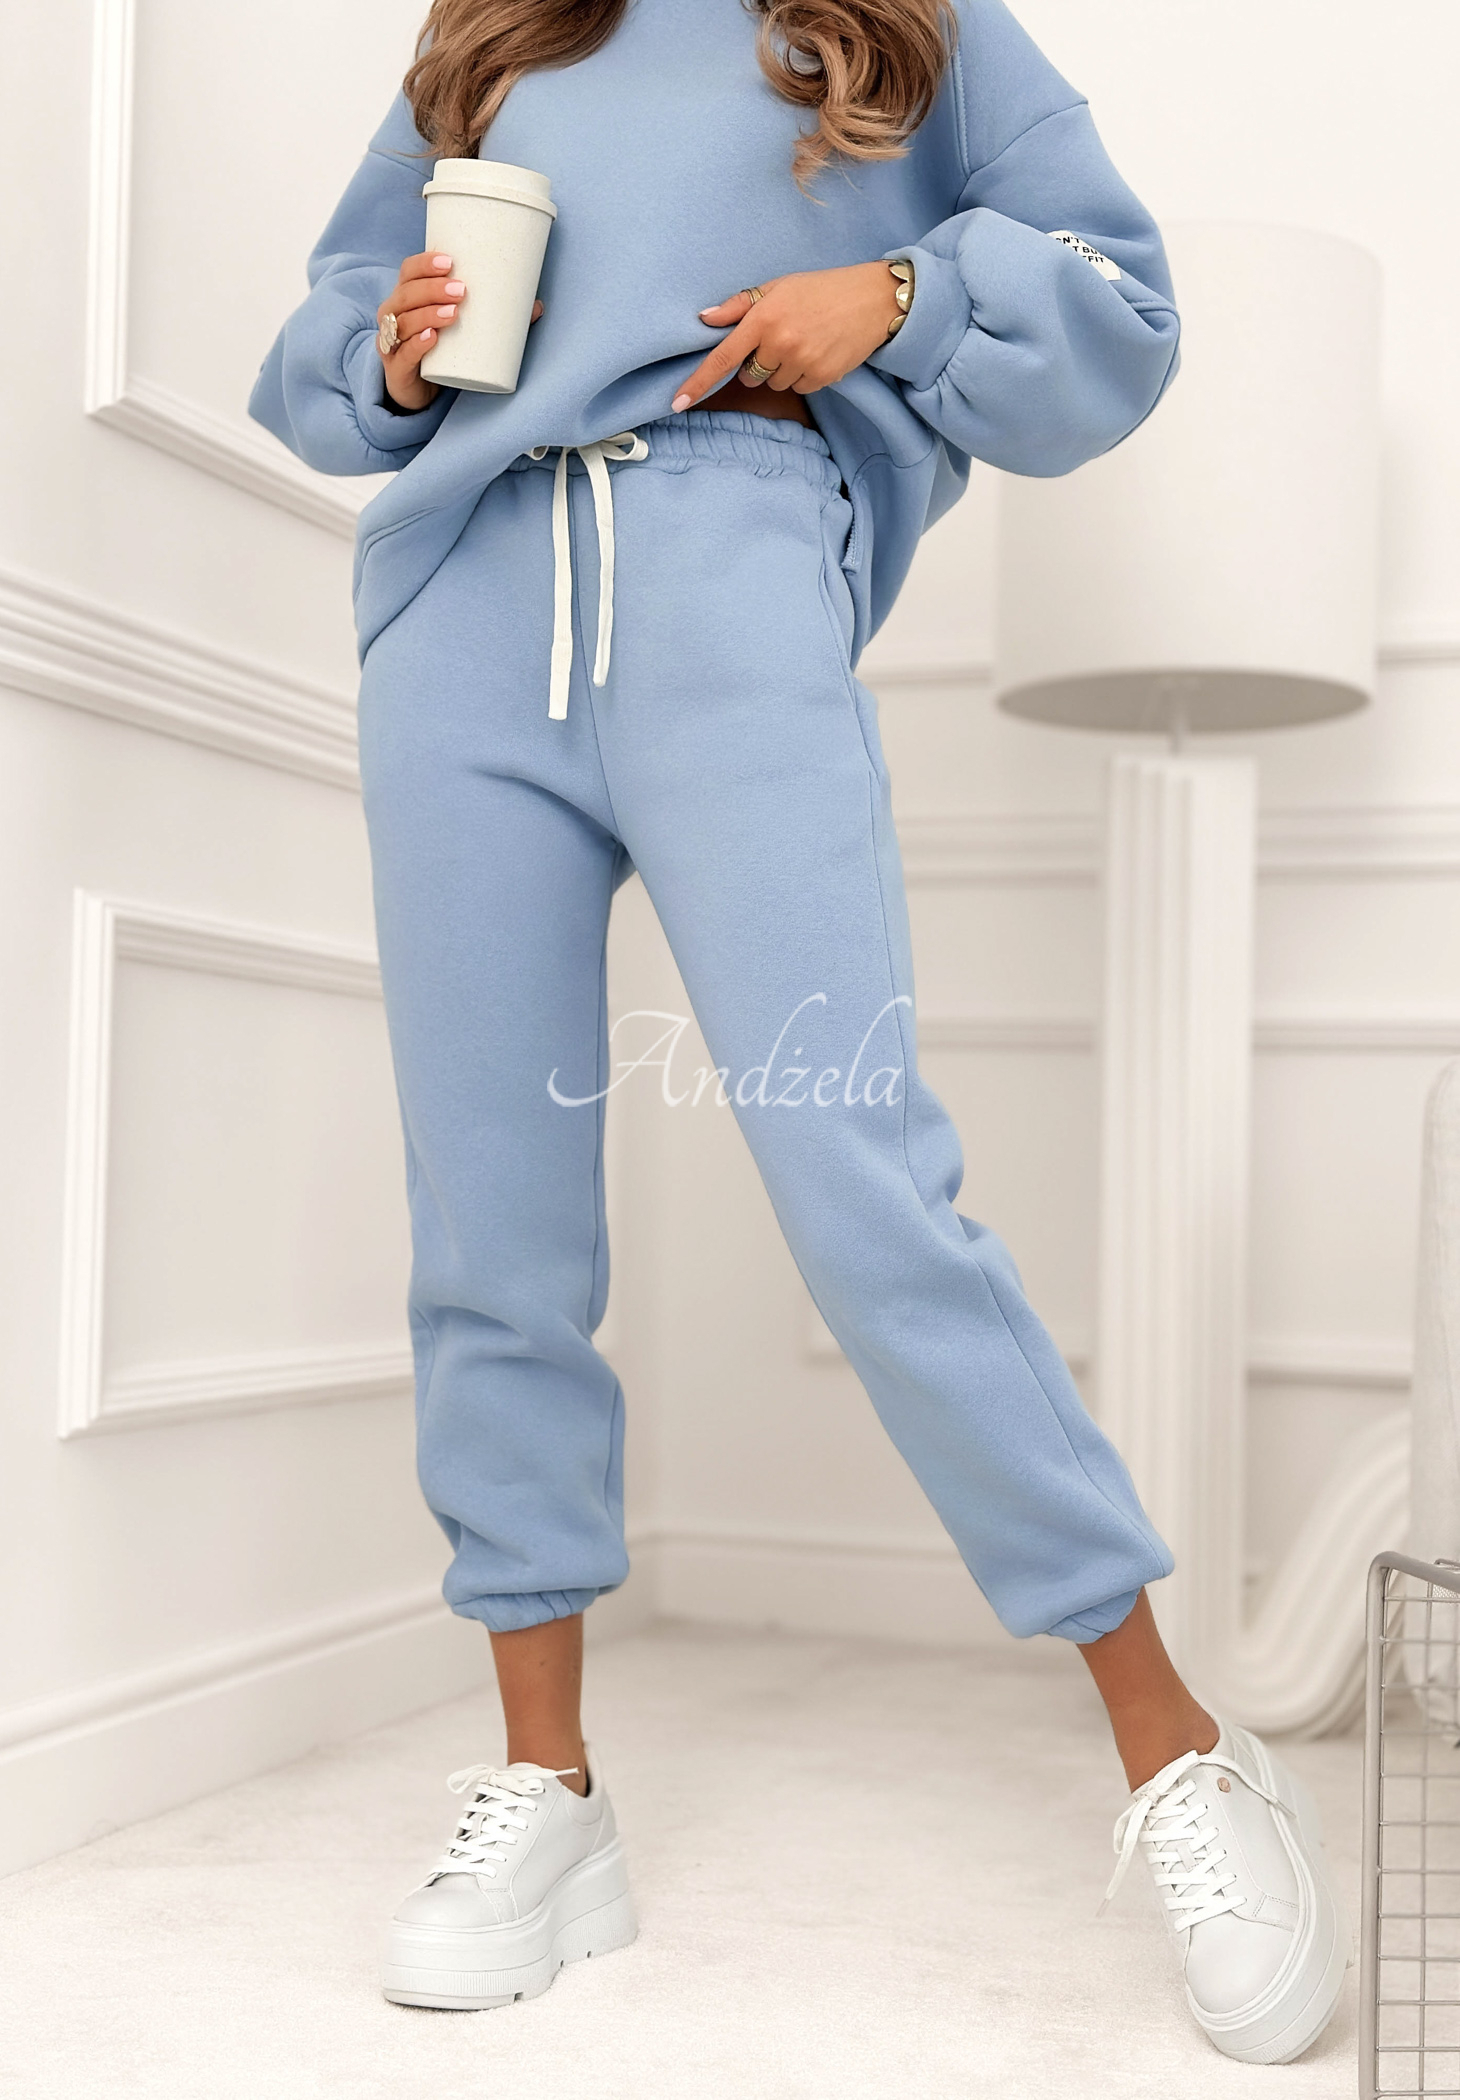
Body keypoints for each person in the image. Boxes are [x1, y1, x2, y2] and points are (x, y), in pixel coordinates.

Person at [251, 0, 1346, 2063]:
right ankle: (549, 1790)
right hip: (465, 610)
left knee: (863, 1193)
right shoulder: (494, 36)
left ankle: (1182, 1745)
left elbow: (1121, 307)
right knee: (490, 1227)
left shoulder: (908, 31)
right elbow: (329, 329)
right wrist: (384, 352)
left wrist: (905, 295)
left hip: (733, 570)